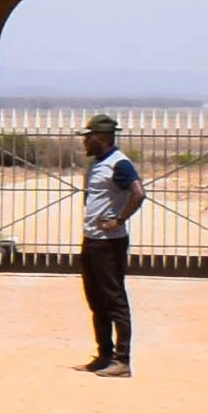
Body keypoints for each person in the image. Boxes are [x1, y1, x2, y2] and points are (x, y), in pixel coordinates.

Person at [75, 111, 144, 376]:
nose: (85, 142)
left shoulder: (119, 164)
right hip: (92, 240)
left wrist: (119, 219)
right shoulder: (97, 163)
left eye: (88, 137)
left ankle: (122, 361)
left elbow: (138, 194)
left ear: (101, 137)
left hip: (109, 244)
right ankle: (103, 355)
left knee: (114, 300)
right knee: (96, 300)